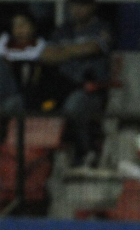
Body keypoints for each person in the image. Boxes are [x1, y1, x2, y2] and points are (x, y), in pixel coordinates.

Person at [38, 0, 114, 166]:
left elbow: (93, 47)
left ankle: (85, 152)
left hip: (90, 91)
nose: (77, 10)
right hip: (61, 88)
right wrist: (75, 51)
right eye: (74, 5)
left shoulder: (101, 28)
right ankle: (40, 161)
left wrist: (63, 51)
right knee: (30, 104)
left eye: (83, 5)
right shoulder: (63, 30)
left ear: (93, 6)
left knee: (74, 105)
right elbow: (45, 55)